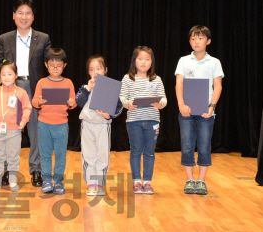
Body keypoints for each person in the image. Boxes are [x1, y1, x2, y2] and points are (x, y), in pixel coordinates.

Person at [0, 0, 51, 187]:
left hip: (33, 89)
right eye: (20, 13)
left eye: (27, 13)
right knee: (9, 131)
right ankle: (8, 171)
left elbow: (50, 64)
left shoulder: (43, 38)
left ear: (33, 17)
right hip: (10, 89)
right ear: (13, 16)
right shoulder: (5, 38)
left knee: (35, 132)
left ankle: (36, 169)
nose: (23, 17)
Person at [175, 26, 224, 195]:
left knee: (204, 146)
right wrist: (181, 105)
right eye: (193, 39)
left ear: (208, 41)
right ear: (189, 41)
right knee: (187, 146)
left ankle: (201, 181)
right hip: (186, 112)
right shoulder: (183, 61)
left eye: (201, 38)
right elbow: (179, 83)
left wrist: (211, 106)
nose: (197, 42)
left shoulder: (214, 62)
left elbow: (217, 86)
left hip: (206, 113)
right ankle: (189, 180)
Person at [120, 47, 167, 194]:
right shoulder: (128, 78)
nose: (143, 62)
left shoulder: (156, 79)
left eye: (147, 59)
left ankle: (147, 182)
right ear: (134, 61)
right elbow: (122, 97)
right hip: (134, 121)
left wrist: (161, 104)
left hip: (152, 121)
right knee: (135, 151)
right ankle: (136, 182)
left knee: (149, 152)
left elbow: (164, 98)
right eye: (140, 59)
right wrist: (128, 104)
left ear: (151, 62)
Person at [76, 55, 123, 196]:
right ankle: (92, 183)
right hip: (87, 125)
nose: (95, 72)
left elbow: (119, 106)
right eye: (92, 69)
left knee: (102, 155)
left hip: (103, 125)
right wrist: (88, 89)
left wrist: (109, 115)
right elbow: (79, 102)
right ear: (88, 72)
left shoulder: (111, 88)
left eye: (99, 68)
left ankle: (100, 183)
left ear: (105, 70)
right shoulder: (85, 87)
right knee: (89, 155)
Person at [32, 48, 76, 194]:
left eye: (59, 65)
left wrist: (71, 102)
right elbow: (34, 102)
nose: (55, 68)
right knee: (45, 154)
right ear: (46, 65)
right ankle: (46, 180)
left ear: (64, 65)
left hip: (62, 124)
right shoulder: (42, 82)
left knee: (60, 154)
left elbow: (73, 103)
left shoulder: (68, 82)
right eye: (52, 65)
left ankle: (57, 181)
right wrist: (39, 101)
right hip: (44, 124)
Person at [0, 60, 32, 191]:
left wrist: (24, 120)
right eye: (3, 74)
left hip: (14, 131)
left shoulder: (21, 92)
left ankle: (12, 180)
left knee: (13, 156)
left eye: (9, 74)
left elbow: (27, 108)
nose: (6, 77)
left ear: (16, 75)